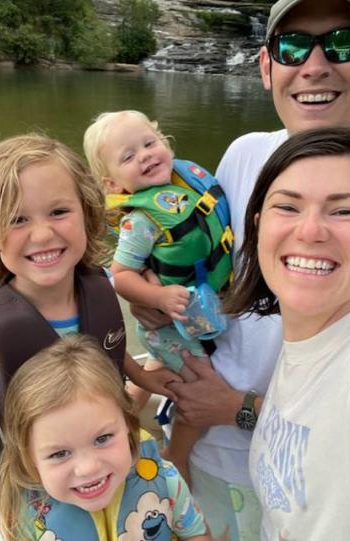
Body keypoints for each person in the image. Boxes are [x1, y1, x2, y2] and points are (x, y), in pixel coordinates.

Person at [128, 1, 350, 539]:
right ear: (266, 67)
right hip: (203, 442)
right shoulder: (243, 154)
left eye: (345, 44)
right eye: (292, 47)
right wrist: (155, 296)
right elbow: (209, 264)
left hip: (295, 471)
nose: (316, 64)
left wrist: (236, 408)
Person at [0, 134, 181, 540]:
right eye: (17, 219)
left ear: (88, 212)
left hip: (102, 477)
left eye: (59, 211)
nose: (42, 235)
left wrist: (146, 378)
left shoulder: (101, 288)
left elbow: (109, 351)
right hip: (22, 500)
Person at [222, 127, 350, 540]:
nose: (310, 230)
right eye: (288, 207)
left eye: (345, 211)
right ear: (257, 226)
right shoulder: (309, 344)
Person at [83, 111, 234, 484]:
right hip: (172, 320)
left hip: (187, 311)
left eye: (150, 143)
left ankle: (117, 424)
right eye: (129, 156)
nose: (146, 155)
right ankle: (176, 454)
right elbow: (121, 277)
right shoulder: (142, 221)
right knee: (196, 387)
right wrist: (159, 296)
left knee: (152, 367)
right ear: (111, 182)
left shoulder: (187, 182)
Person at [0, 335, 211, 541]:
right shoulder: (21, 515)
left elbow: (196, 533)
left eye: (102, 439)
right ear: (29, 457)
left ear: (127, 423)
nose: (88, 468)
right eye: (59, 453)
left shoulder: (166, 480)